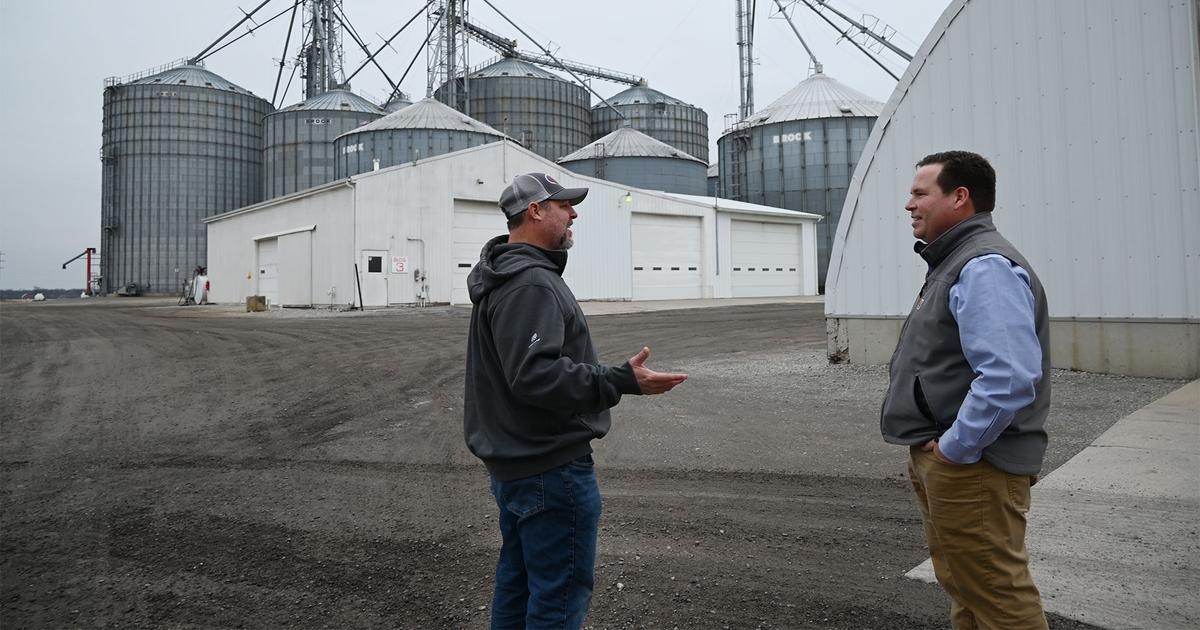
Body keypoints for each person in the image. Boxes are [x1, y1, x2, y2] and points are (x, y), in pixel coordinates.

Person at [464, 172, 688, 629]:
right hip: (549, 469)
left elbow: (522, 371)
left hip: (519, 466)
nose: (574, 214)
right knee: (558, 597)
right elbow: (535, 375)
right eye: (564, 206)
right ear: (535, 211)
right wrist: (621, 380)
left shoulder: (508, 275)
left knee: (520, 582)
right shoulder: (530, 283)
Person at [880, 151, 1051, 629]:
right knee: (967, 587)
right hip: (955, 461)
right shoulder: (953, 261)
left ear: (960, 198)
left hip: (974, 466)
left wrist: (956, 448)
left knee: (998, 595)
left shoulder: (983, 266)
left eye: (920, 193)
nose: (908, 204)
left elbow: (1009, 376)